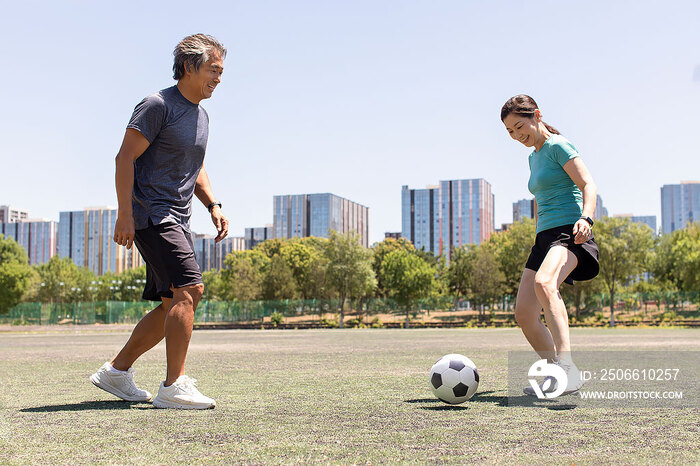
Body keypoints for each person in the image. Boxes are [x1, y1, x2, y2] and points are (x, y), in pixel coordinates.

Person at [90, 34, 229, 409]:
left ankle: (116, 372)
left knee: (171, 302)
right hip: (152, 213)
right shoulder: (157, 105)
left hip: (178, 216)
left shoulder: (201, 116)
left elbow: (194, 165)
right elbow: (124, 159)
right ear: (189, 67)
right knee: (190, 289)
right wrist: (125, 215)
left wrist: (212, 204)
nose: (219, 79)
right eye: (213, 71)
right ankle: (173, 386)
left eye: (221, 72)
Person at [501, 94, 599, 396]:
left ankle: (570, 370)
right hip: (544, 238)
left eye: (520, 126)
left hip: (570, 231)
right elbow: (540, 197)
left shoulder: (559, 145)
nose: (518, 136)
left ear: (536, 115)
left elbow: (588, 184)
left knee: (545, 284)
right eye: (510, 132)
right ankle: (554, 372)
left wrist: (587, 218)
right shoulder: (534, 156)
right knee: (524, 313)